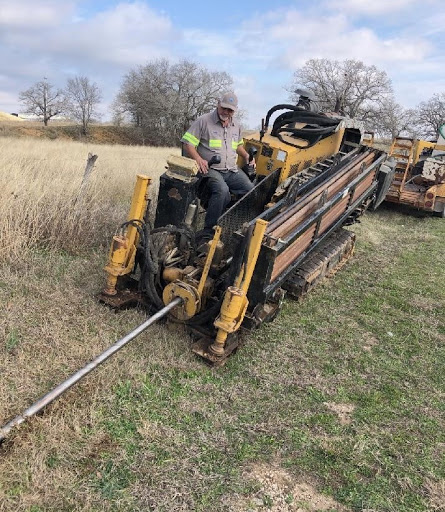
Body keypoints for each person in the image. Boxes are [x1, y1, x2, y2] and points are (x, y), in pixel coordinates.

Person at [181, 91, 255, 241]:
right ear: (218, 104)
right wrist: (199, 160)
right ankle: (208, 232)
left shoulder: (237, 126)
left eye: (230, 110)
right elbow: (187, 144)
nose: (226, 112)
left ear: (235, 110)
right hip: (210, 168)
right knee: (222, 191)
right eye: (224, 108)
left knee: (250, 190)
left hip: (231, 169)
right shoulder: (203, 121)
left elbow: (238, 146)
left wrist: (247, 156)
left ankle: (232, 223)